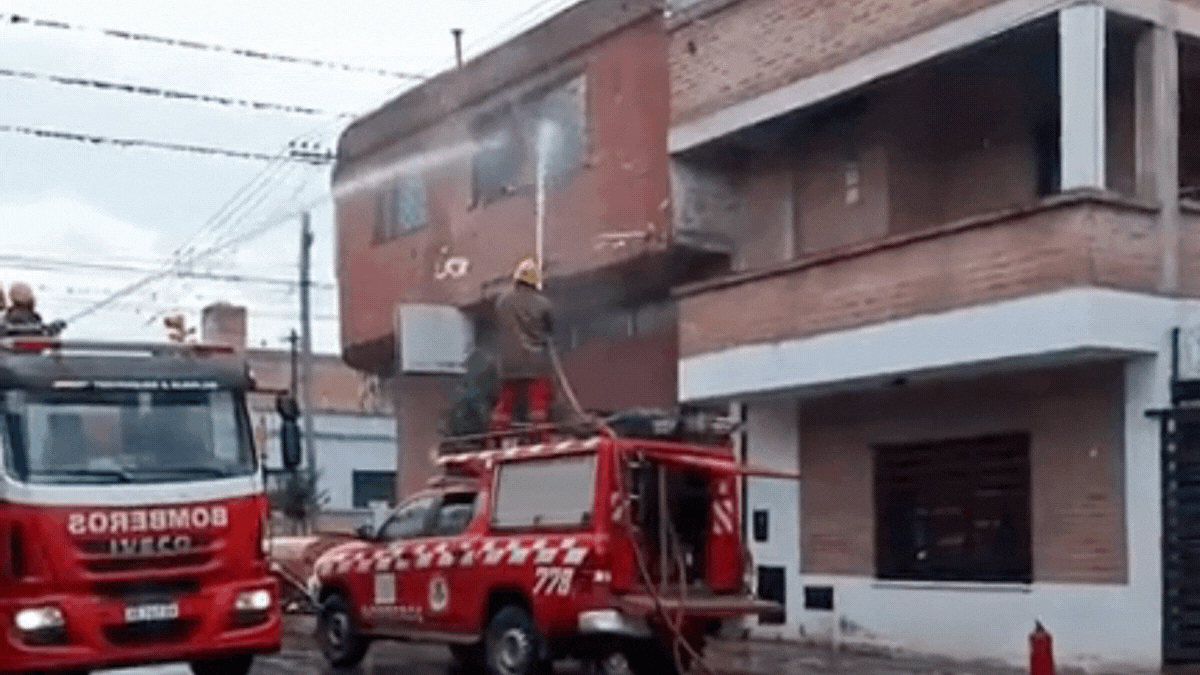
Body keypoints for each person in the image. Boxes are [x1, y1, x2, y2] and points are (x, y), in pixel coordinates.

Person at [489, 258, 555, 438]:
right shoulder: (543, 303)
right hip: (536, 362)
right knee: (538, 404)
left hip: (508, 363)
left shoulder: (502, 301)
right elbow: (550, 328)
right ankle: (541, 436)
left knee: (505, 403)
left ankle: (498, 436)